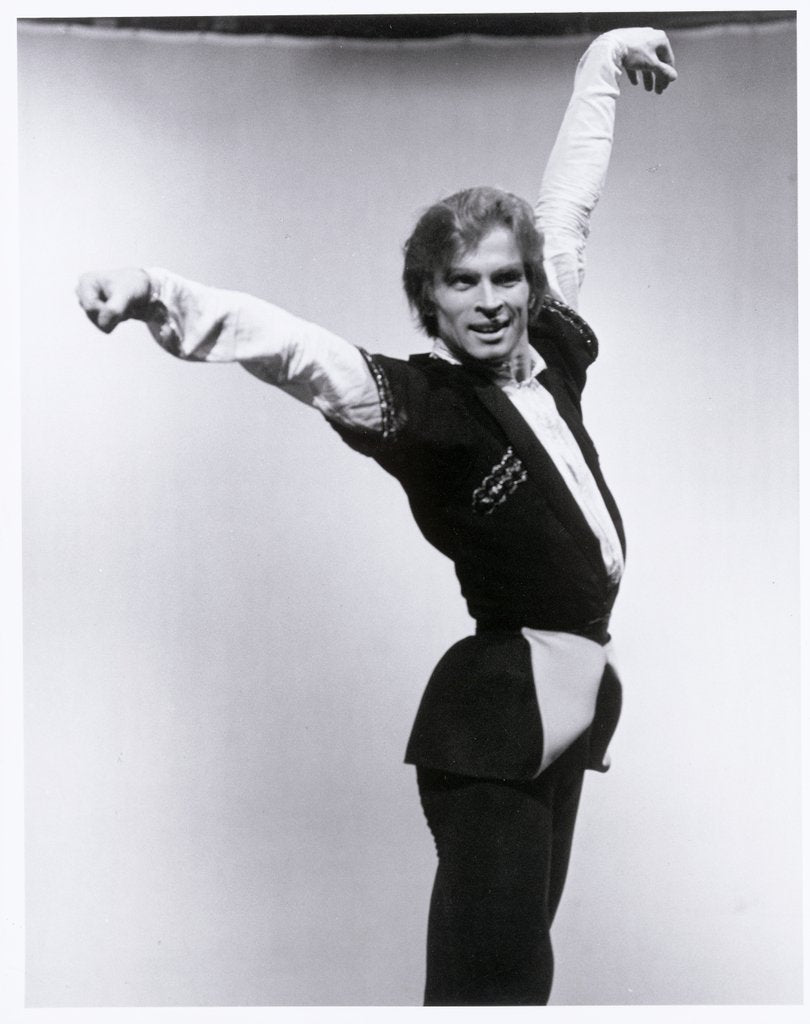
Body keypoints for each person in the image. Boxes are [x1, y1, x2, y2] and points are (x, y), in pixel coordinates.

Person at [76, 26, 677, 1006]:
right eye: (462, 284)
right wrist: (158, 294)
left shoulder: (556, 352)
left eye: (505, 276)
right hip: (492, 721)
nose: (491, 301)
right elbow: (301, 352)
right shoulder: (429, 410)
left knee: (525, 974)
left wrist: (602, 65)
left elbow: (565, 207)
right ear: (429, 307)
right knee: (494, 979)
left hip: (564, 707)